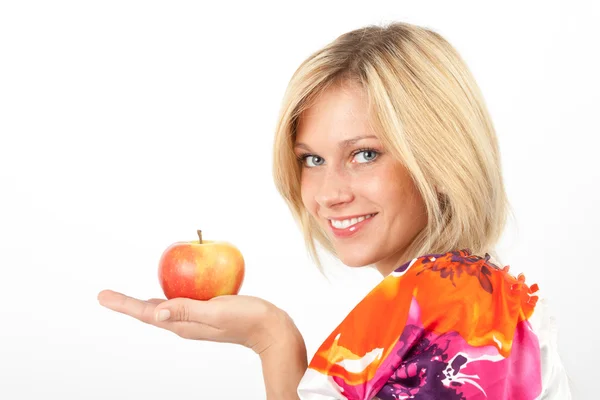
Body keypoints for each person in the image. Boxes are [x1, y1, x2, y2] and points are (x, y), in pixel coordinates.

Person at [97, 21, 571, 399]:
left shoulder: (453, 301)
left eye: (365, 154)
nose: (328, 193)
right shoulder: (467, 294)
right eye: (312, 160)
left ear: (441, 158)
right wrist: (272, 337)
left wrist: (272, 338)